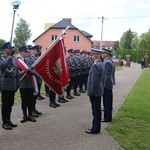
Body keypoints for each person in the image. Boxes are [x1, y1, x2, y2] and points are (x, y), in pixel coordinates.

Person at [0, 42, 19, 130]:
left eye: (11, 48)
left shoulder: (14, 59)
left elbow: (16, 72)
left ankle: (9, 120)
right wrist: (9, 57)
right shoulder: (2, 59)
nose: (11, 50)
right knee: (5, 105)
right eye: (9, 48)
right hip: (5, 84)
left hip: (12, 84)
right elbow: (3, 66)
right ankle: (4, 122)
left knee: (10, 104)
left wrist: (17, 84)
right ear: (5, 50)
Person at [85, 48, 104, 134]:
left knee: (95, 110)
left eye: (92, 55)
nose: (91, 56)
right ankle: (97, 128)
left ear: (95, 55)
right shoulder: (101, 64)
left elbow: (95, 81)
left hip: (95, 92)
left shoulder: (96, 65)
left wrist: (91, 92)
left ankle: (95, 129)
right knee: (97, 110)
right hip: (98, 90)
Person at [17, 46, 36, 123]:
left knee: (30, 101)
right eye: (26, 52)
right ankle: (24, 115)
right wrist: (25, 72)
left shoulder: (30, 60)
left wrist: (30, 72)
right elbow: (18, 73)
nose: (27, 54)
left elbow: (33, 70)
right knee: (24, 101)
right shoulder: (18, 61)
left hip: (30, 84)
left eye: (27, 52)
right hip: (23, 84)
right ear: (21, 52)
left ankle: (30, 115)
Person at [102, 48, 115, 122]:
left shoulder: (107, 62)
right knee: (108, 101)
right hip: (108, 85)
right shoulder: (109, 61)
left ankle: (107, 118)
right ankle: (107, 117)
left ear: (106, 54)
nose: (102, 55)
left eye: (103, 53)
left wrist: (104, 85)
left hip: (106, 85)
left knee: (107, 102)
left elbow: (107, 76)